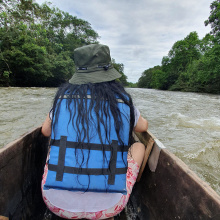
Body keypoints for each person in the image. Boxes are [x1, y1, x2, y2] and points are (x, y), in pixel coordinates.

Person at [41, 44, 148, 219]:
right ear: (109, 73)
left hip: (56, 203)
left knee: (54, 145)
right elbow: (143, 128)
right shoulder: (123, 100)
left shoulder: (62, 98)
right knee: (139, 147)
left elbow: (45, 131)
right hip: (110, 206)